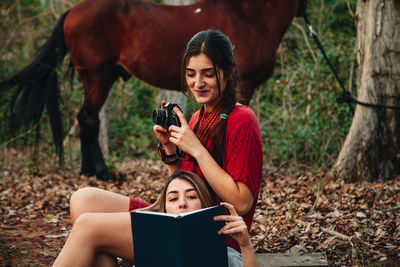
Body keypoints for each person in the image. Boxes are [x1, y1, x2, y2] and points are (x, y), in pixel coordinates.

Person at [153, 29, 263, 252]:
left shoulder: (242, 119)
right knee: (83, 199)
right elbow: (182, 187)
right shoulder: (196, 119)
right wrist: (170, 149)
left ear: (229, 73)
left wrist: (198, 150)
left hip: (215, 236)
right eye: (191, 74)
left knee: (91, 228)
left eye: (208, 74)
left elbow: (242, 203)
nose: (198, 83)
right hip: (182, 219)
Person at [53, 170, 257, 267]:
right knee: (98, 253)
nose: (182, 203)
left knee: (87, 225)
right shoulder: (149, 244)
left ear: (204, 205)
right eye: (173, 198)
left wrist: (245, 245)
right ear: (164, 209)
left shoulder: (225, 254)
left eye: (191, 196)